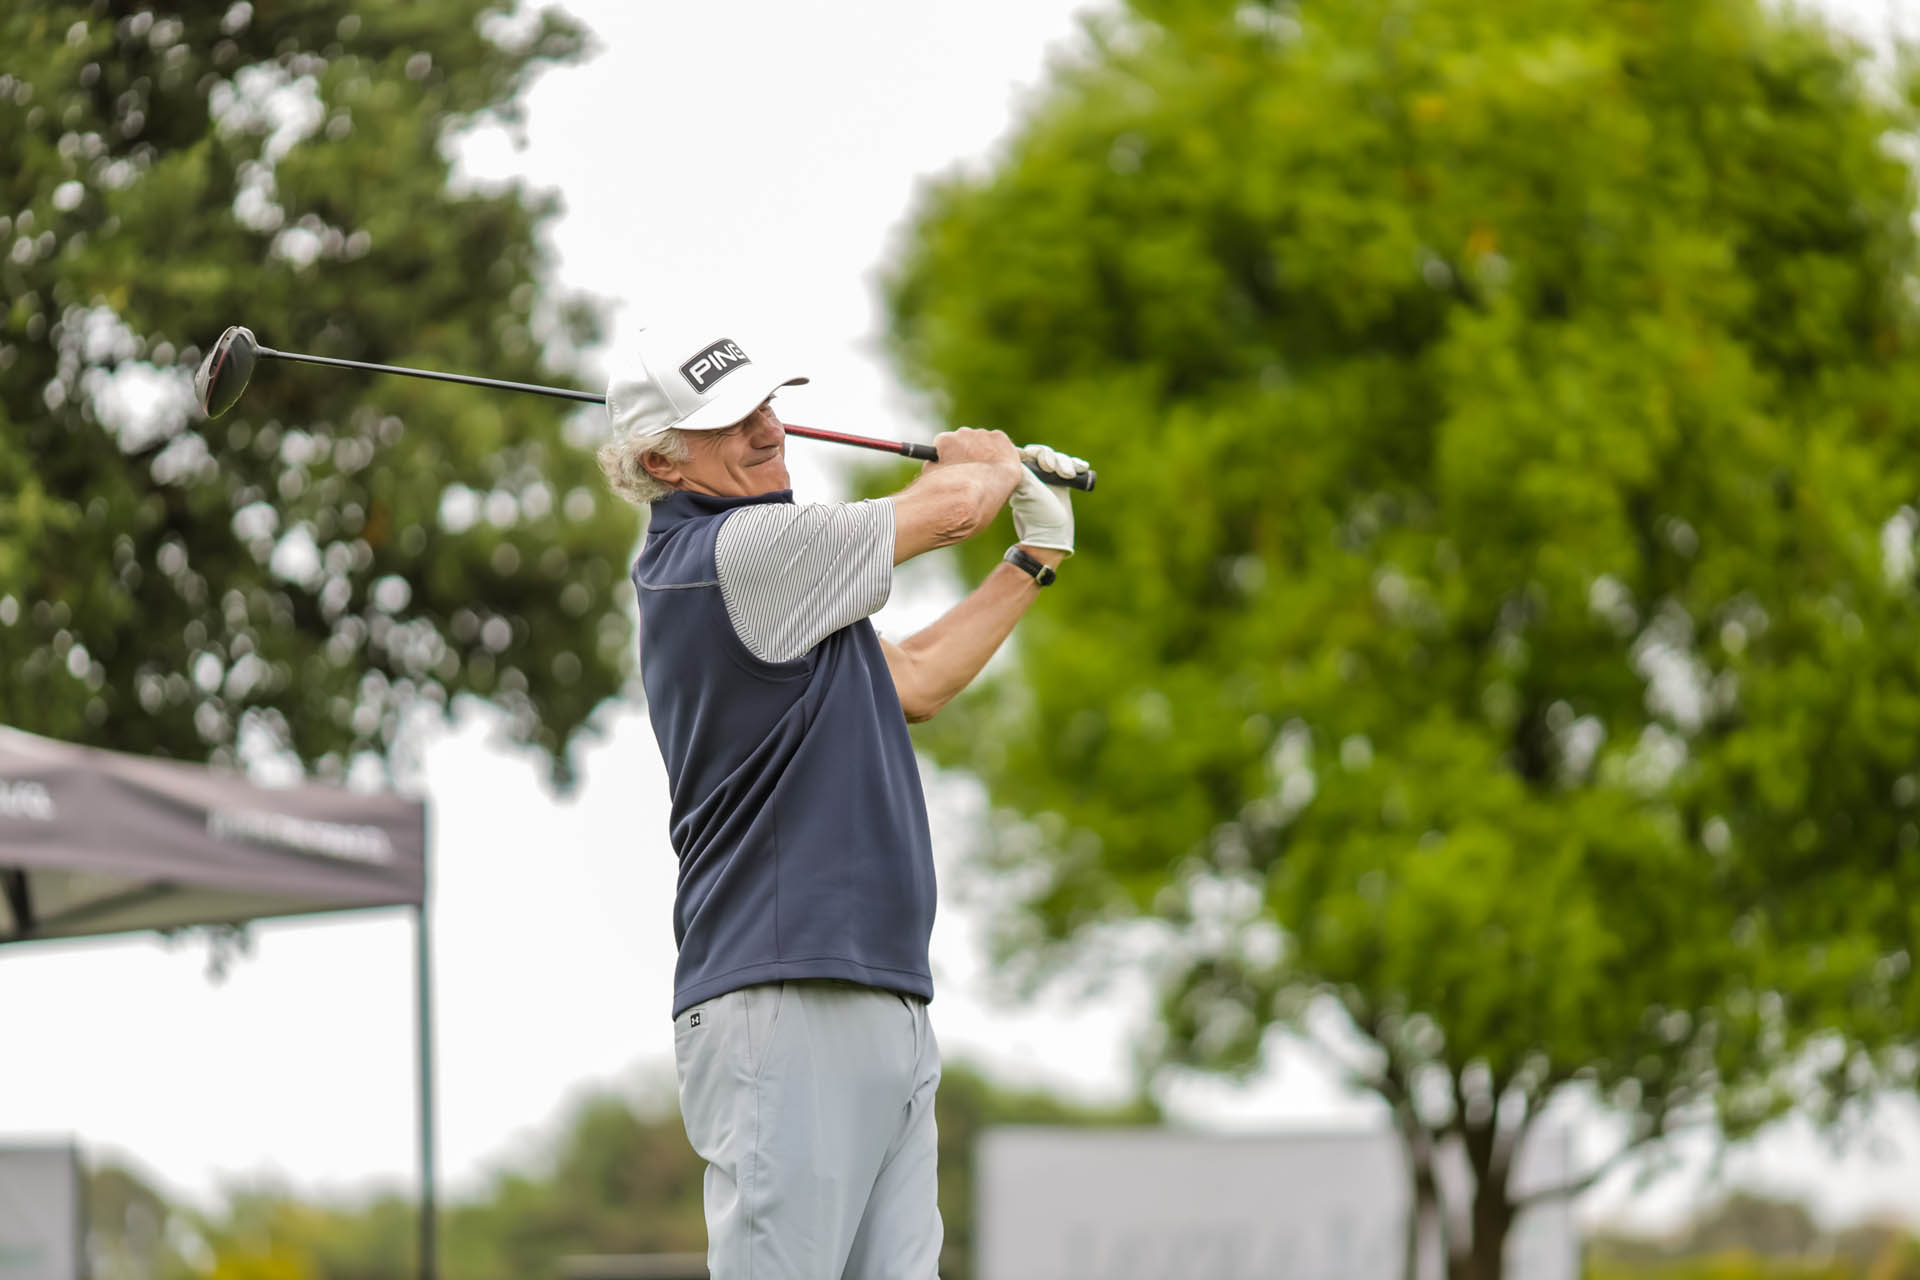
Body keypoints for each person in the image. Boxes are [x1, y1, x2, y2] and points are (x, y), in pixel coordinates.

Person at [596, 320, 1085, 1280]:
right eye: (728, 421)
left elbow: (916, 681)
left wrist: (1036, 555)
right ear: (661, 462)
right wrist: (985, 463)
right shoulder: (735, 554)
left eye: (766, 405)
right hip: (784, 991)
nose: (767, 430)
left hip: (883, 993)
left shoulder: (788, 588)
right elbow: (951, 507)